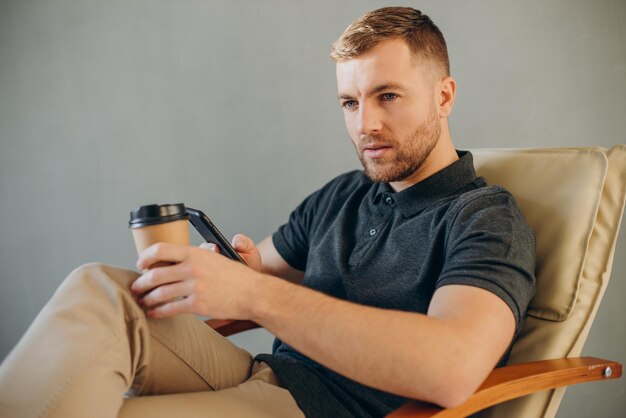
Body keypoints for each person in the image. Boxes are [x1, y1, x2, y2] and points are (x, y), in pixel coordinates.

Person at [0, 6, 535, 418]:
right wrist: (237, 275)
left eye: (387, 95)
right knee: (98, 288)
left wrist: (255, 294)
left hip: (321, 409)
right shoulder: (344, 195)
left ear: (444, 96)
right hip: (263, 373)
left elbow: (452, 368)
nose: (364, 124)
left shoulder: (484, 217)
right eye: (350, 103)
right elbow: (259, 273)